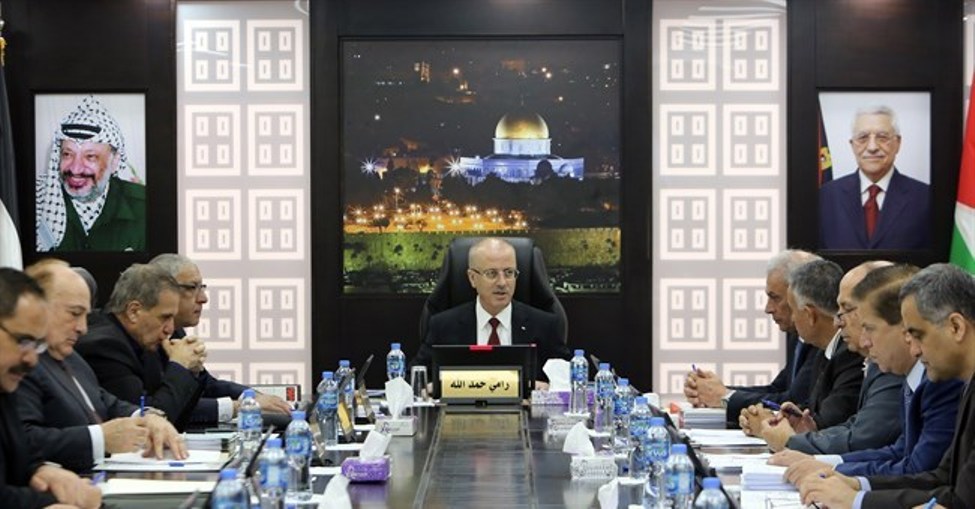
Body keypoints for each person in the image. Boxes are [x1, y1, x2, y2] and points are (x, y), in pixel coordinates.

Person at [799, 264, 975, 509]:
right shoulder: (966, 386)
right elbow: (943, 480)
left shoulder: (945, 384)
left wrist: (856, 500)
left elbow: (959, 500)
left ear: (956, 327)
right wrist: (856, 486)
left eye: (917, 335)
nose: (914, 349)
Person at [17, 260, 188, 472]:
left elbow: (105, 401)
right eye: (74, 313)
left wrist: (146, 416)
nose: (82, 328)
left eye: (85, 316)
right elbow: (21, 439)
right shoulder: (19, 363)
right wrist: (100, 438)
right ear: (38, 308)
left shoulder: (71, 358)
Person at [778, 260, 904, 455]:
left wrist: (790, 441)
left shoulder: (892, 366)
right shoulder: (875, 362)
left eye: (847, 308)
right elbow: (855, 426)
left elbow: (862, 439)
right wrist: (809, 433)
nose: (837, 321)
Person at [0, 267, 102, 508]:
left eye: (37, 345)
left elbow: (21, 454)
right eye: (24, 341)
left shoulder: (4, 386)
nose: (32, 360)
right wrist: (52, 501)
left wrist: (40, 470)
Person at [683, 250, 820, 427]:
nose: (768, 309)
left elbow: (793, 401)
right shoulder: (797, 336)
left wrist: (724, 397)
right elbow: (777, 389)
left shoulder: (820, 341)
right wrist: (717, 391)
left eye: (775, 298)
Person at [149, 254, 291, 424]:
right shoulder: (140, 340)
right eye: (192, 288)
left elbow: (207, 386)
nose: (203, 298)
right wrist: (239, 407)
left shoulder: (176, 332)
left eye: (202, 288)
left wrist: (252, 397)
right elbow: (158, 411)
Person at [410, 237, 571, 380]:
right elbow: (414, 376)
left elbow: (569, 378)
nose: (502, 283)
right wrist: (427, 386)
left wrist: (549, 387)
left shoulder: (544, 325)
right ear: (472, 278)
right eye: (492, 273)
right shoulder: (443, 326)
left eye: (509, 273)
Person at [742, 260, 864, 445]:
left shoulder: (850, 355)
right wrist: (779, 418)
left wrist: (769, 427)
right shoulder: (823, 351)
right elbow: (811, 413)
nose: (792, 318)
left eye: (793, 310)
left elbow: (826, 423)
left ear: (809, 315)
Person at [74, 264, 205, 430]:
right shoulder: (105, 347)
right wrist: (179, 367)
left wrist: (192, 370)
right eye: (165, 317)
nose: (170, 329)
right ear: (133, 312)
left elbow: (178, 421)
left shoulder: (144, 342)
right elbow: (151, 423)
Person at [35, 95, 145, 252]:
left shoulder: (144, 205)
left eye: (90, 156)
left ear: (114, 162)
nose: (75, 169)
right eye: (67, 154)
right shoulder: (39, 201)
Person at [819, 105, 930, 250]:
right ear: (852, 145)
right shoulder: (825, 197)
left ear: (898, 143)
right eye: (863, 138)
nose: (872, 147)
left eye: (882, 137)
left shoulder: (926, 198)